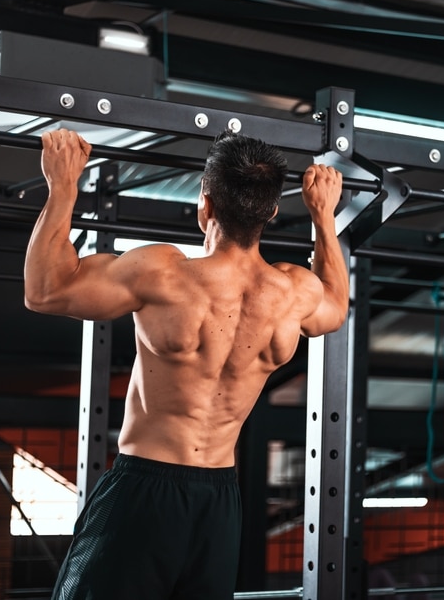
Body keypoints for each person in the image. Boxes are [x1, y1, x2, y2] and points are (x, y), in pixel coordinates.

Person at [24, 128, 349, 600]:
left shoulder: (163, 272)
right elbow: (336, 306)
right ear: (273, 211)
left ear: (206, 205)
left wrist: (63, 187)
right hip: (220, 501)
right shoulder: (294, 294)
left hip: (143, 490)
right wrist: (323, 216)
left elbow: (45, 290)